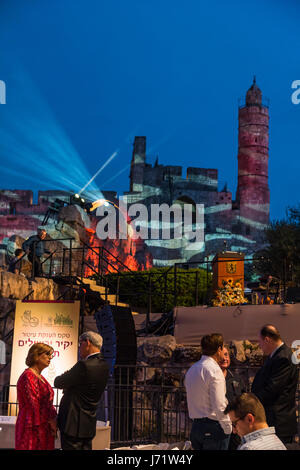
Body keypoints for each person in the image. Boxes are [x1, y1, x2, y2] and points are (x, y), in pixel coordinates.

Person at [54, 331, 110, 450]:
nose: (79, 348)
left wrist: (68, 380)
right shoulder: (105, 366)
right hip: (88, 423)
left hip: (72, 423)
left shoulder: (83, 365)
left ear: (88, 342)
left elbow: (58, 382)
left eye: (80, 344)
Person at [251, 324, 298, 445]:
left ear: (267, 340)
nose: (259, 346)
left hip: (279, 421)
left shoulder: (283, 357)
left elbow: (272, 389)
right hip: (274, 419)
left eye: (260, 342)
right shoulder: (276, 355)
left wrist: (252, 402)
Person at [184, 333, 232, 450]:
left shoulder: (192, 369)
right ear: (219, 349)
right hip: (214, 427)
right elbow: (219, 404)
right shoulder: (215, 371)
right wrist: (228, 427)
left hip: (196, 427)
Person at [15, 343, 57, 450]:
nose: (50, 357)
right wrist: (50, 420)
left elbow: (47, 403)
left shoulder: (39, 376)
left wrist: (53, 420)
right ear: (36, 356)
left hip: (43, 425)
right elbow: (34, 405)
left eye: (50, 355)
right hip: (32, 425)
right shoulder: (28, 376)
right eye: (47, 354)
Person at [220, 346, 247, 450]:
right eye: (221, 356)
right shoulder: (212, 378)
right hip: (220, 427)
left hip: (236, 428)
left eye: (226, 355)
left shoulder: (236, 378)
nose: (224, 358)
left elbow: (244, 400)